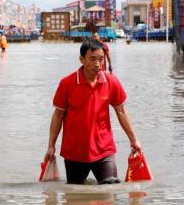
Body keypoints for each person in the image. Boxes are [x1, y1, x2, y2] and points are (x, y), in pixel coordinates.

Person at [44, 39, 142, 185]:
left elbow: (121, 111)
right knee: (74, 198)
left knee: (110, 190)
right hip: (74, 152)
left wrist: (134, 140)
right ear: (81, 59)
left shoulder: (111, 82)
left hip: (104, 150)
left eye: (101, 59)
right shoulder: (67, 83)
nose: (97, 64)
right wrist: (51, 146)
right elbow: (58, 115)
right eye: (92, 59)